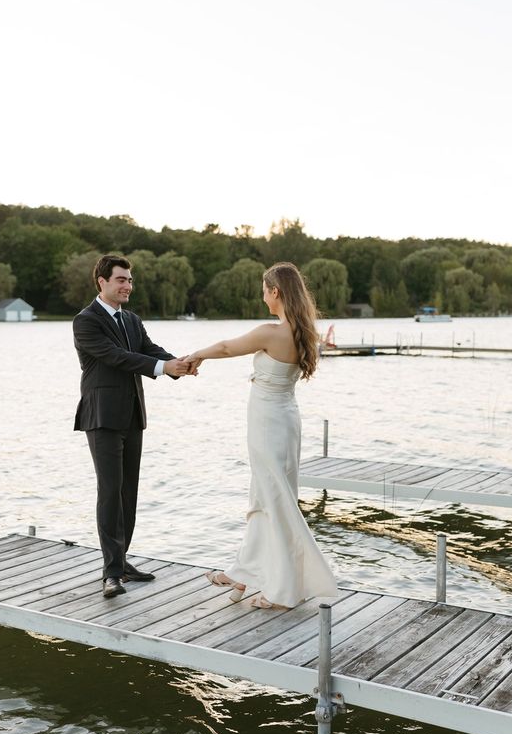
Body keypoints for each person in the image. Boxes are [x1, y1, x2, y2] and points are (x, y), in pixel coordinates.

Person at [185, 262, 337, 610]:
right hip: (285, 421)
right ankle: (245, 572)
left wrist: (196, 356)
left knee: (274, 503)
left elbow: (225, 347)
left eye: (264, 289)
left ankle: (285, 589)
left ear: (276, 292)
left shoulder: (272, 332)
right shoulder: (303, 332)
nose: (262, 296)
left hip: (268, 423)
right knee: (266, 497)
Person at [73, 254, 191, 598]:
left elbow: (148, 349)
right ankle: (111, 573)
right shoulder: (86, 321)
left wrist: (178, 363)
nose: (128, 286)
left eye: (130, 280)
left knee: (128, 492)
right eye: (121, 280)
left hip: (132, 415)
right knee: (109, 492)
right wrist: (162, 367)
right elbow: (117, 357)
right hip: (102, 417)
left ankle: (122, 561)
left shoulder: (132, 320)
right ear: (102, 282)